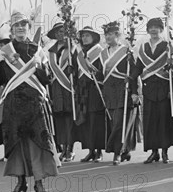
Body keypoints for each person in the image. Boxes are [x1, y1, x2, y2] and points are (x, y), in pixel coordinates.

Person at [0, 12, 60, 192]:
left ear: (29, 28)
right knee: (15, 142)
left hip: (34, 102)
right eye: (16, 25)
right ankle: (20, 182)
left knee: (37, 142)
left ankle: (38, 182)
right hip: (13, 103)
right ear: (11, 30)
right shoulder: (5, 51)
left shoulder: (37, 49)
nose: (20, 28)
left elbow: (48, 79)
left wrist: (40, 66)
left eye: (23, 25)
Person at [131, 17, 173, 164]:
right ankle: (154, 152)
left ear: (161, 29)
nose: (153, 30)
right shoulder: (143, 47)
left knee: (163, 121)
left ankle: (164, 151)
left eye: (156, 27)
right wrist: (132, 86)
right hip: (149, 89)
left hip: (164, 88)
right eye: (151, 27)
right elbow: (138, 68)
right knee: (150, 121)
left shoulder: (167, 46)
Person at [100, 21, 138, 165]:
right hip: (109, 92)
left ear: (117, 35)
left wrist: (135, 92)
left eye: (110, 34)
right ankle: (125, 150)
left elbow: (133, 73)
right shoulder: (103, 53)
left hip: (123, 90)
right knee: (114, 122)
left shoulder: (127, 51)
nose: (108, 37)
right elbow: (101, 74)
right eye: (106, 35)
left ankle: (116, 152)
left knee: (119, 123)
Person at [46, 22, 78, 162]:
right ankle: (63, 147)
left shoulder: (73, 49)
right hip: (56, 88)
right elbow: (48, 70)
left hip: (69, 87)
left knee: (70, 119)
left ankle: (70, 148)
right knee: (59, 118)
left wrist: (74, 71)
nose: (60, 34)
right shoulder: (51, 51)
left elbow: (80, 66)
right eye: (57, 32)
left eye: (63, 31)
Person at [75, 26, 106, 163]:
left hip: (95, 89)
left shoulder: (100, 51)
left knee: (96, 120)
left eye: (87, 35)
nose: (84, 38)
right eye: (83, 36)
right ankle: (90, 150)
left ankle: (99, 151)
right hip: (82, 90)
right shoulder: (80, 54)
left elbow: (104, 71)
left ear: (94, 37)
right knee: (85, 120)